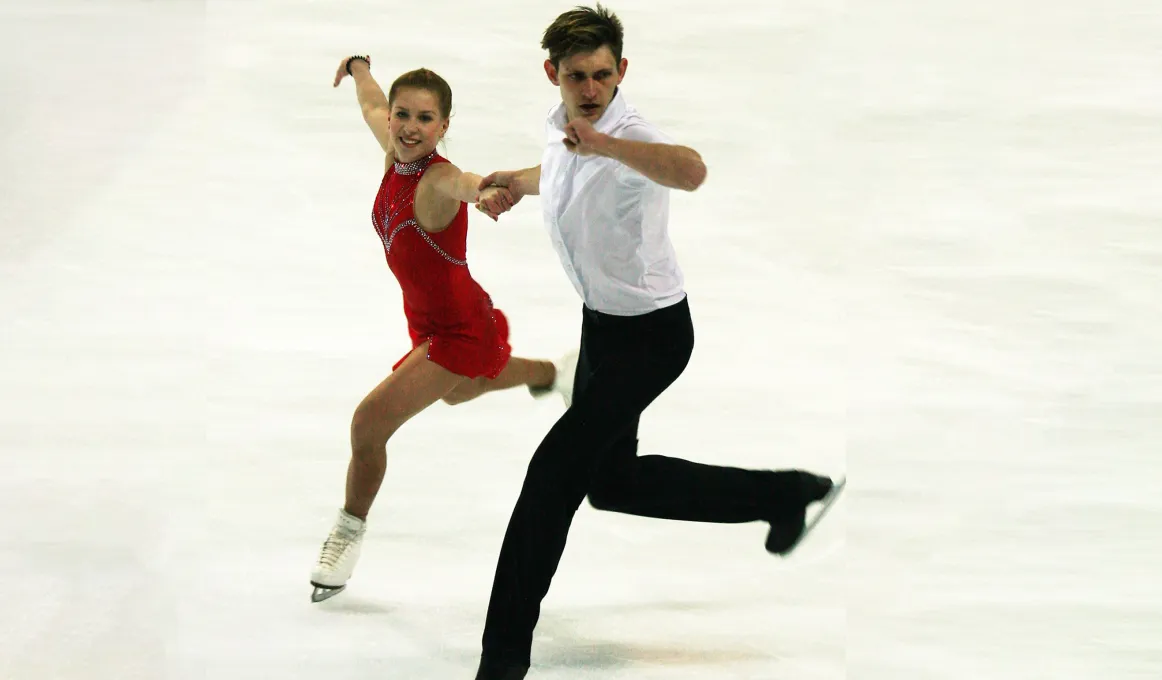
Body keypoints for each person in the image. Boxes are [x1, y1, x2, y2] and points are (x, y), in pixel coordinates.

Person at [470, 6, 844, 678]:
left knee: (551, 477)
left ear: (622, 71)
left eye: (603, 75)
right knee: (610, 484)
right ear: (552, 73)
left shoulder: (630, 134)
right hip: (602, 331)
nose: (591, 88)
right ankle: (784, 493)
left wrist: (609, 145)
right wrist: (519, 185)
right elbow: (562, 163)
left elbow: (691, 170)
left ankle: (501, 660)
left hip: (653, 337)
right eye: (578, 76)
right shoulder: (564, 130)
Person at [308, 56, 576, 604]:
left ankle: (347, 534)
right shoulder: (392, 152)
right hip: (429, 319)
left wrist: (487, 194)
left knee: (367, 426)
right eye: (403, 115)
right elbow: (371, 104)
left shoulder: (438, 177)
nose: (409, 126)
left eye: (425, 119)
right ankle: (553, 373)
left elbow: (467, 183)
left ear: (444, 127)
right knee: (462, 392)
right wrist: (359, 68)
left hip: (456, 327)